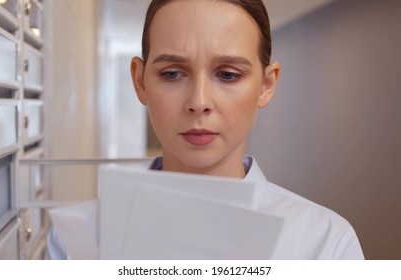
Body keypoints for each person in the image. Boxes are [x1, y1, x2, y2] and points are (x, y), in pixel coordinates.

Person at [46, 0, 364, 259]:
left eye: (227, 75)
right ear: (140, 81)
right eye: (172, 74)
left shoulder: (326, 245)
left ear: (266, 85)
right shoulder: (78, 241)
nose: (199, 102)